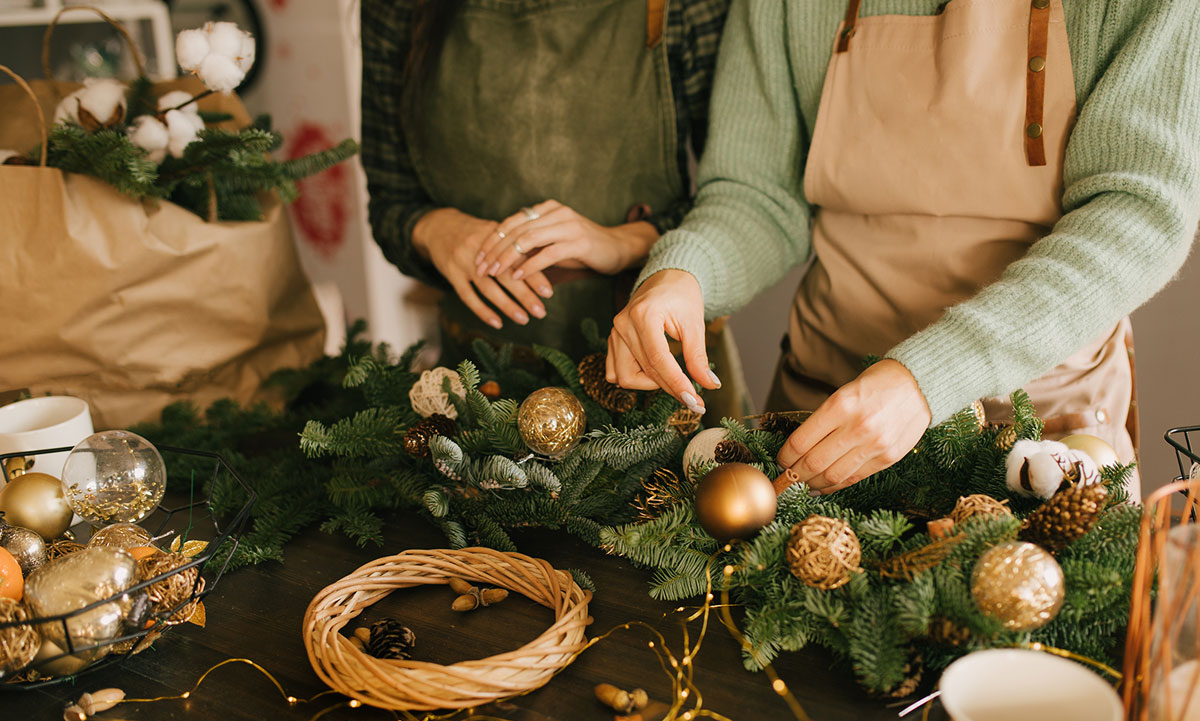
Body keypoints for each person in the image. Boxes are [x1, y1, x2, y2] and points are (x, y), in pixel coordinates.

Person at [608, 0, 1200, 495]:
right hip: (819, 422)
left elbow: (1139, 208)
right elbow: (757, 192)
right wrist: (685, 272)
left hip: (1042, 440)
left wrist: (927, 378)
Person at [360, 0, 750, 419]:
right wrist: (432, 227)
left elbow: (744, 199)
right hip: (481, 394)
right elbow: (391, 201)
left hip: (659, 381)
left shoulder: (687, 6)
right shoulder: (395, 7)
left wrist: (625, 242)